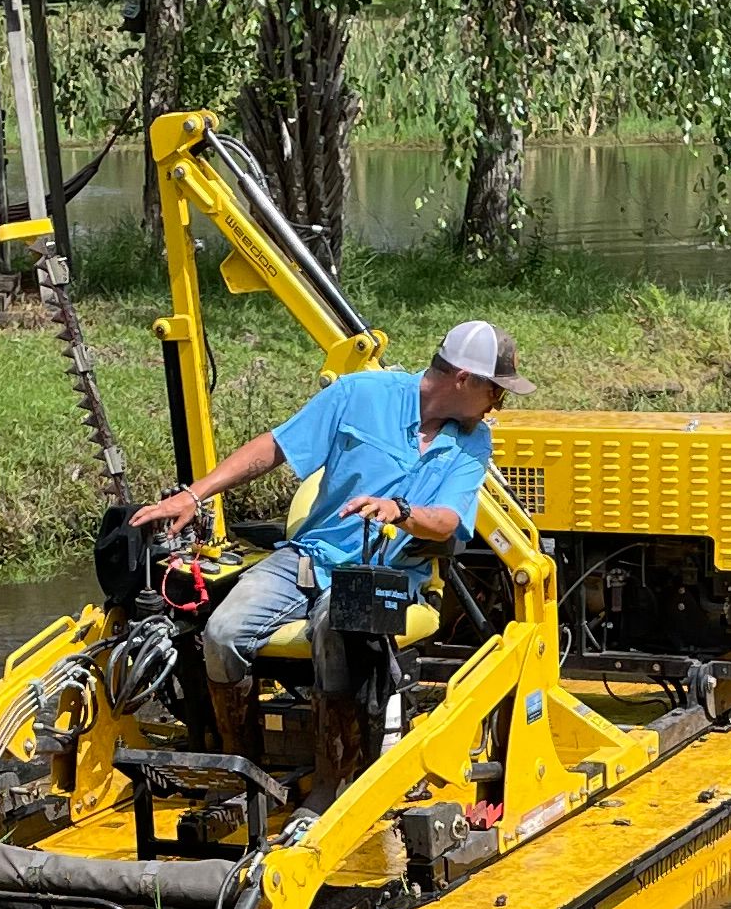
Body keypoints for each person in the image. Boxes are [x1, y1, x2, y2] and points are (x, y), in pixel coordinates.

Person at [130, 321, 525, 795]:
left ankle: (332, 787)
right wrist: (194, 495)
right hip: (310, 555)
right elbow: (276, 446)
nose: (498, 404)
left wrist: (399, 512)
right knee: (221, 633)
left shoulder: (472, 441)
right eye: (497, 392)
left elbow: (446, 520)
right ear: (465, 380)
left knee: (335, 627)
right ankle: (245, 778)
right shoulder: (360, 394)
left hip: (386, 573)